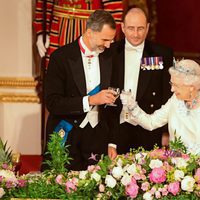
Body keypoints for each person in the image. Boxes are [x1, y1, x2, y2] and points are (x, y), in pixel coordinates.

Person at [44, 10, 117, 170]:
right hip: (67, 134)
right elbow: (53, 103)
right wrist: (90, 100)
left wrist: (112, 141)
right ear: (90, 32)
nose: (108, 45)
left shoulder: (110, 56)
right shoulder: (60, 57)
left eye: (111, 40)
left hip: (98, 137)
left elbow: (114, 107)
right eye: (105, 39)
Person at [107, 7, 173, 159]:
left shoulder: (162, 53)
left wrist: (164, 132)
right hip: (118, 126)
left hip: (149, 128)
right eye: (131, 28)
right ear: (122, 27)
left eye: (140, 28)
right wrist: (110, 139)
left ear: (148, 27)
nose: (136, 34)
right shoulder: (110, 52)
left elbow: (167, 95)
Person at [121, 59, 200, 155]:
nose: (172, 89)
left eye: (176, 85)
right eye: (171, 84)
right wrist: (132, 106)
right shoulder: (175, 100)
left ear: (191, 87)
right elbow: (151, 122)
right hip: (175, 166)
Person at [33, 0, 124, 67]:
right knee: (57, 66)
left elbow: (113, 6)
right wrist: (42, 30)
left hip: (91, 27)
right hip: (59, 27)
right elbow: (45, 3)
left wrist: (109, 36)